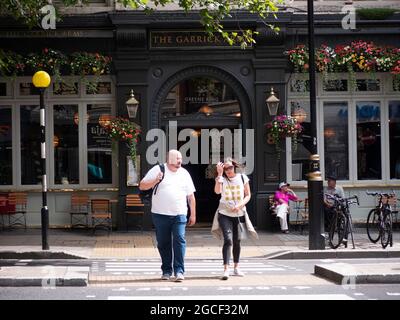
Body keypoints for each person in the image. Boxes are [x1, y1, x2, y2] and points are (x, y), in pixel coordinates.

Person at [139, 150, 196, 282]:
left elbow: (191, 196)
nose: (180, 161)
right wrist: (155, 180)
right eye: (177, 158)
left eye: (181, 158)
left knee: (179, 240)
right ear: (170, 159)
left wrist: (193, 214)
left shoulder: (184, 173)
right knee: (163, 243)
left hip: (179, 214)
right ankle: (166, 271)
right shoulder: (158, 169)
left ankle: (179, 271)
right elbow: (142, 186)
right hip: (160, 214)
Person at [211, 158, 258, 280]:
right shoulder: (222, 179)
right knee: (228, 240)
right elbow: (217, 192)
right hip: (224, 213)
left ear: (234, 167)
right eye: (225, 168)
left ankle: (236, 267)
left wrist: (240, 205)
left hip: (239, 213)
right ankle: (226, 269)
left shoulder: (242, 177)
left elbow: (248, 195)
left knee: (237, 240)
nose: (228, 170)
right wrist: (219, 175)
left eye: (230, 168)